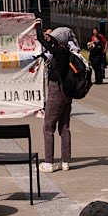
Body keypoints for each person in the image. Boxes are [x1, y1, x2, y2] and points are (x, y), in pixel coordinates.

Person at [36, 21, 73, 173]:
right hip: (67, 94)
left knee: (48, 127)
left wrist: (37, 25)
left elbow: (40, 39)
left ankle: (49, 162)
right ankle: (65, 162)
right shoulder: (68, 52)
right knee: (64, 127)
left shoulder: (57, 51)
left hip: (56, 90)